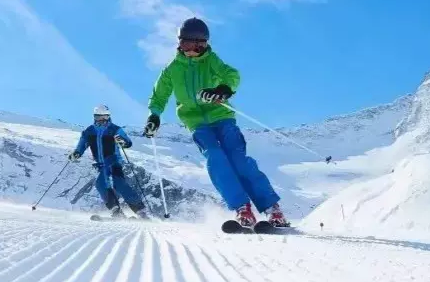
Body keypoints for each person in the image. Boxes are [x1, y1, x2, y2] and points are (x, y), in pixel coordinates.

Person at [142, 17, 290, 228]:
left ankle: (273, 208)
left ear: (205, 45)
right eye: (187, 44)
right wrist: (154, 115)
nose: (192, 50)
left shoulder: (212, 61)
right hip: (196, 122)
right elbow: (159, 96)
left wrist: (222, 90)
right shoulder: (172, 69)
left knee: (238, 159)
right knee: (215, 158)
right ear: (179, 43)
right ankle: (242, 208)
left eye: (198, 45)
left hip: (222, 116)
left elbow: (231, 75)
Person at [69, 105, 149, 219]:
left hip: (114, 162)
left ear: (108, 116)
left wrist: (122, 141)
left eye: (104, 117)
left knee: (120, 184)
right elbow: (82, 145)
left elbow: (128, 143)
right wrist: (76, 153)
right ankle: (116, 210)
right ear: (94, 117)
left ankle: (141, 212)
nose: (101, 120)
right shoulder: (89, 131)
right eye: (98, 117)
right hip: (101, 165)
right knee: (100, 184)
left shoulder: (115, 129)